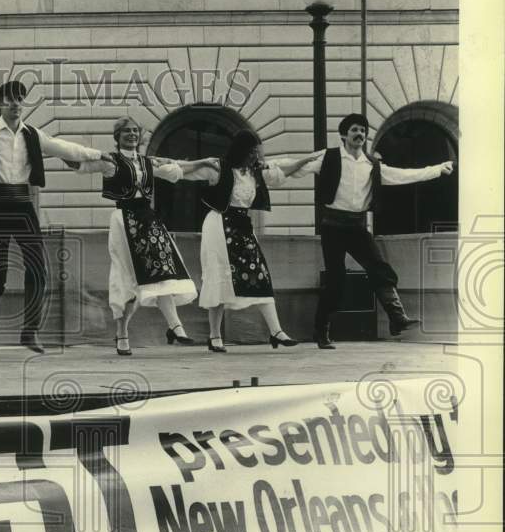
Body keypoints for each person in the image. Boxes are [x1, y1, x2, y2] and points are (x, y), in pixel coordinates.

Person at [0, 80, 114, 358]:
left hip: (23, 206)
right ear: (0, 102)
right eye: (9, 99)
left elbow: (66, 149)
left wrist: (99, 155)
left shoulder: (33, 134)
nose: (15, 104)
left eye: (20, 99)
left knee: (38, 270)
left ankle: (29, 330)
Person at [295, 113, 455, 349]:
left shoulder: (372, 165)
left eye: (362, 130)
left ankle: (397, 318)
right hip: (333, 226)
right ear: (343, 135)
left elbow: (404, 175)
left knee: (380, 268)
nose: (359, 134)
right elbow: (296, 167)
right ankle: (321, 330)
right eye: (354, 130)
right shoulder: (328, 158)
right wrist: (266, 169)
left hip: (358, 226)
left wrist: (437, 169)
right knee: (336, 280)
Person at [75, 117, 220, 355]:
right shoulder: (110, 160)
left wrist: (203, 161)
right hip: (124, 221)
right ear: (118, 136)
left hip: (149, 221)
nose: (132, 134)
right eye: (126, 131)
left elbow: (178, 169)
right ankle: (122, 333)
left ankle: (176, 327)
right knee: (129, 280)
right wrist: (60, 153)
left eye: (135, 130)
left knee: (162, 272)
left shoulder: (147, 162)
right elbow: (81, 164)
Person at [189, 130, 324, 352]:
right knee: (219, 275)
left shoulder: (255, 172)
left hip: (242, 226)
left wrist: (306, 159)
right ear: (242, 151)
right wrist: (196, 161)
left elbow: (283, 172)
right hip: (219, 226)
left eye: (257, 152)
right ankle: (214, 336)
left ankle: (276, 331)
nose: (256, 156)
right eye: (252, 152)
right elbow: (187, 171)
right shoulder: (220, 169)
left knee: (260, 273)